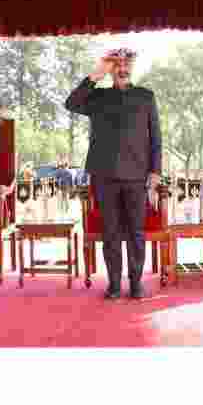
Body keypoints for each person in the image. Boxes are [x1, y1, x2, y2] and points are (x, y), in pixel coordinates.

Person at [66, 47, 161, 299]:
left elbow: (156, 138)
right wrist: (97, 73)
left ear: (132, 67)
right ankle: (114, 284)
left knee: (136, 233)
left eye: (127, 64)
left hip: (136, 174)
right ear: (111, 69)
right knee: (110, 232)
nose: (122, 69)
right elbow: (71, 103)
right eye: (117, 64)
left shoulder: (145, 96)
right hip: (104, 175)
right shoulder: (98, 97)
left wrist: (155, 171)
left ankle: (136, 282)